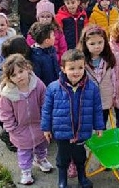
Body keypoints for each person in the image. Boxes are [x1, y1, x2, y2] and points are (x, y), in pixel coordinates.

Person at [41, 49, 105, 188]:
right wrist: (46, 128)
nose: (76, 72)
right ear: (63, 69)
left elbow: (97, 108)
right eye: (72, 68)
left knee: (80, 157)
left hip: (81, 130)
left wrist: (99, 126)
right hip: (61, 132)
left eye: (80, 68)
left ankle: (82, 178)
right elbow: (46, 110)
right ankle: (62, 180)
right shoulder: (53, 88)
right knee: (63, 158)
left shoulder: (91, 88)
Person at [0, 54, 53, 185]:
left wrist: (46, 121)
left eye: (21, 71)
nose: (19, 76)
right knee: (24, 150)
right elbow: (5, 113)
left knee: (42, 144)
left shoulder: (37, 84)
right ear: (9, 78)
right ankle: (26, 170)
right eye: (14, 75)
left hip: (39, 124)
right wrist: (12, 128)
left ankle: (41, 159)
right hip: (20, 128)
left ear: (28, 68)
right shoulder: (7, 95)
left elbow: (45, 102)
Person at [0, 36, 29, 152]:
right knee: (11, 123)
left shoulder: (4, 62)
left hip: (9, 102)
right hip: (4, 104)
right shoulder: (6, 70)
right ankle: (7, 137)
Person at [79, 24, 117, 125]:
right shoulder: (81, 62)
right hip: (88, 102)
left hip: (105, 100)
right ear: (85, 44)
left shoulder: (109, 60)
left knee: (102, 124)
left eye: (100, 42)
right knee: (88, 125)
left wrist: (113, 95)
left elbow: (114, 79)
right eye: (92, 44)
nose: (97, 46)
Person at [26, 0, 67, 64]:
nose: (45, 19)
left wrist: (60, 60)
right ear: (38, 18)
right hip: (39, 62)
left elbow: (63, 48)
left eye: (48, 16)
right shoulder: (33, 32)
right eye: (42, 16)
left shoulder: (57, 31)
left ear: (52, 18)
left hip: (56, 61)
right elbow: (30, 47)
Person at [28, 22, 61, 87]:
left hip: (56, 84)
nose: (55, 37)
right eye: (53, 35)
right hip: (45, 88)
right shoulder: (35, 56)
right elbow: (37, 77)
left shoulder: (52, 49)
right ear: (47, 41)